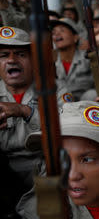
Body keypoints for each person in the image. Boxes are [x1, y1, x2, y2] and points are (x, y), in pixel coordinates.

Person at [0, 26, 72, 193]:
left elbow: (68, 131)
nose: (12, 60)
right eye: (4, 55)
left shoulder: (55, 89)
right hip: (4, 170)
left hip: (45, 167)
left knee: (48, 212)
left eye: (21, 54)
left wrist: (25, 111)